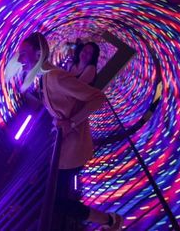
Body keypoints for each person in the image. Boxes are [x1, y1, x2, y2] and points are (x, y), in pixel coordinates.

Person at [17, 32, 123, 230]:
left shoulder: (55, 77)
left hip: (74, 149)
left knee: (56, 200)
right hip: (66, 147)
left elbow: (98, 98)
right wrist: (60, 120)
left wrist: (71, 122)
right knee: (55, 197)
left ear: (39, 53)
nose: (19, 59)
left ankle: (110, 221)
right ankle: (109, 221)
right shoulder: (46, 77)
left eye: (24, 53)